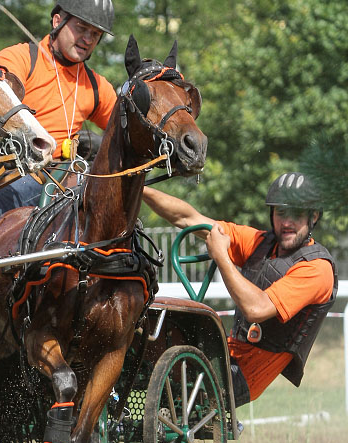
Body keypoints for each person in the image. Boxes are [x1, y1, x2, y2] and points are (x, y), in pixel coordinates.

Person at [143, 172, 337, 406]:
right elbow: (187, 218)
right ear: (272, 214)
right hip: (224, 353)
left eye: (296, 214)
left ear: (313, 216)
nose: (287, 223)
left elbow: (256, 309)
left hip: (242, 377)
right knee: (146, 324)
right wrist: (137, 188)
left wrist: (222, 256)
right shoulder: (260, 243)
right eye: (281, 213)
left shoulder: (317, 269)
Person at [0, 0, 117, 234]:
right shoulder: (19, 58)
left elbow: (126, 136)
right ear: (57, 21)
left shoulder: (97, 88)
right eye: (81, 29)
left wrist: (101, 144)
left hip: (46, 173)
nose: (87, 39)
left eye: (95, 35)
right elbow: (1, 98)